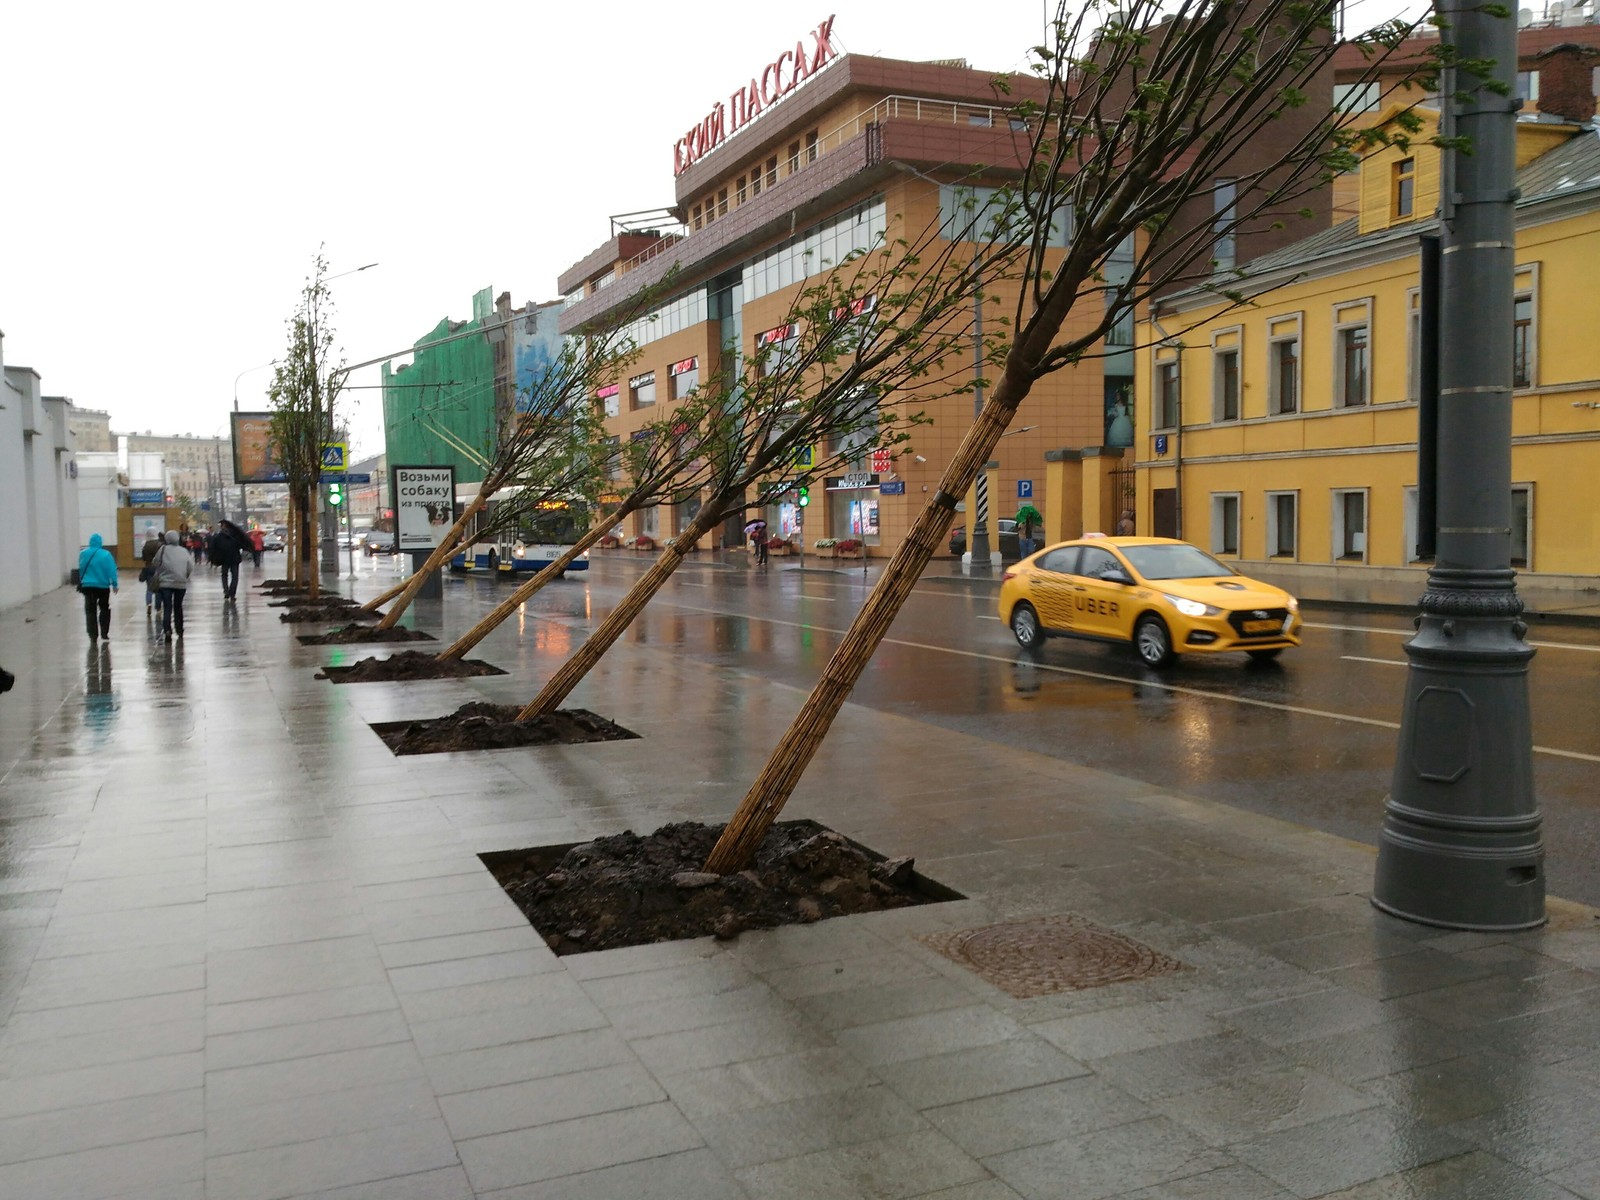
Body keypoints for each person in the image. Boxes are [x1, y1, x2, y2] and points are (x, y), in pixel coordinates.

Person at [152, 530, 194, 639]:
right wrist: (185, 575)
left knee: (167, 607)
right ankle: (179, 629)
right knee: (178, 606)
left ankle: (167, 630)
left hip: (165, 584)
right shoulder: (184, 551)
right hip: (180, 583)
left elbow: (155, 562)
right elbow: (190, 565)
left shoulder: (162, 549)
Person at [76, 533, 119, 641]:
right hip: (103, 586)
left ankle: (92, 634)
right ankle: (104, 632)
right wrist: (114, 584)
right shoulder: (106, 554)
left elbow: (81, 569)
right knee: (104, 608)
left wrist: (82, 580)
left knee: (90, 611)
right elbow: (112, 570)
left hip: (88, 586)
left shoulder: (83, 553)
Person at [209, 520, 246, 600]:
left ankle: (226, 592)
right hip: (235, 559)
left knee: (224, 576)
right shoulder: (236, 536)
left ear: (222, 527)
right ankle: (232, 593)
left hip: (224, 559)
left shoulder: (218, 537)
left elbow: (213, 548)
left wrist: (213, 559)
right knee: (235, 577)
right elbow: (241, 545)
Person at [140, 531, 163, 613]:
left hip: (148, 567)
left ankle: (149, 603)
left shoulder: (145, 545)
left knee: (149, 587)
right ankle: (158, 607)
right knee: (158, 588)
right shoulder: (159, 545)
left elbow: (143, 558)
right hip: (157, 568)